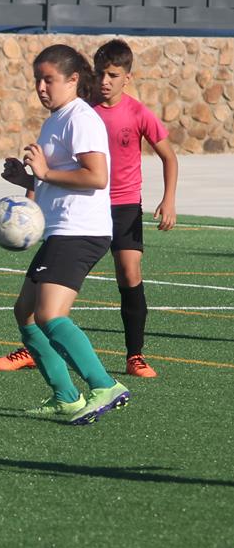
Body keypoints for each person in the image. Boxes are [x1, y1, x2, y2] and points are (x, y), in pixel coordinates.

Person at [0, 44, 130, 424]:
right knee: (25, 312)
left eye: (48, 79)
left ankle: (105, 385)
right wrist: (26, 179)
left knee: (50, 315)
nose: (41, 86)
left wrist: (44, 172)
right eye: (37, 79)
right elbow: (50, 179)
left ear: (73, 80)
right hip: (59, 230)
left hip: (81, 230)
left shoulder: (80, 118)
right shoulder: (55, 118)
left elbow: (96, 176)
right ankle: (66, 396)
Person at [93, 38, 178, 378]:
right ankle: (34, 346)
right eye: (100, 73)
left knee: (129, 273)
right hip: (87, 203)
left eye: (113, 74)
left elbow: (169, 156)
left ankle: (135, 356)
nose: (105, 81)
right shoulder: (83, 109)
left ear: (127, 77)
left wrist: (168, 199)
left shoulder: (138, 113)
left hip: (126, 204)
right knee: (61, 275)